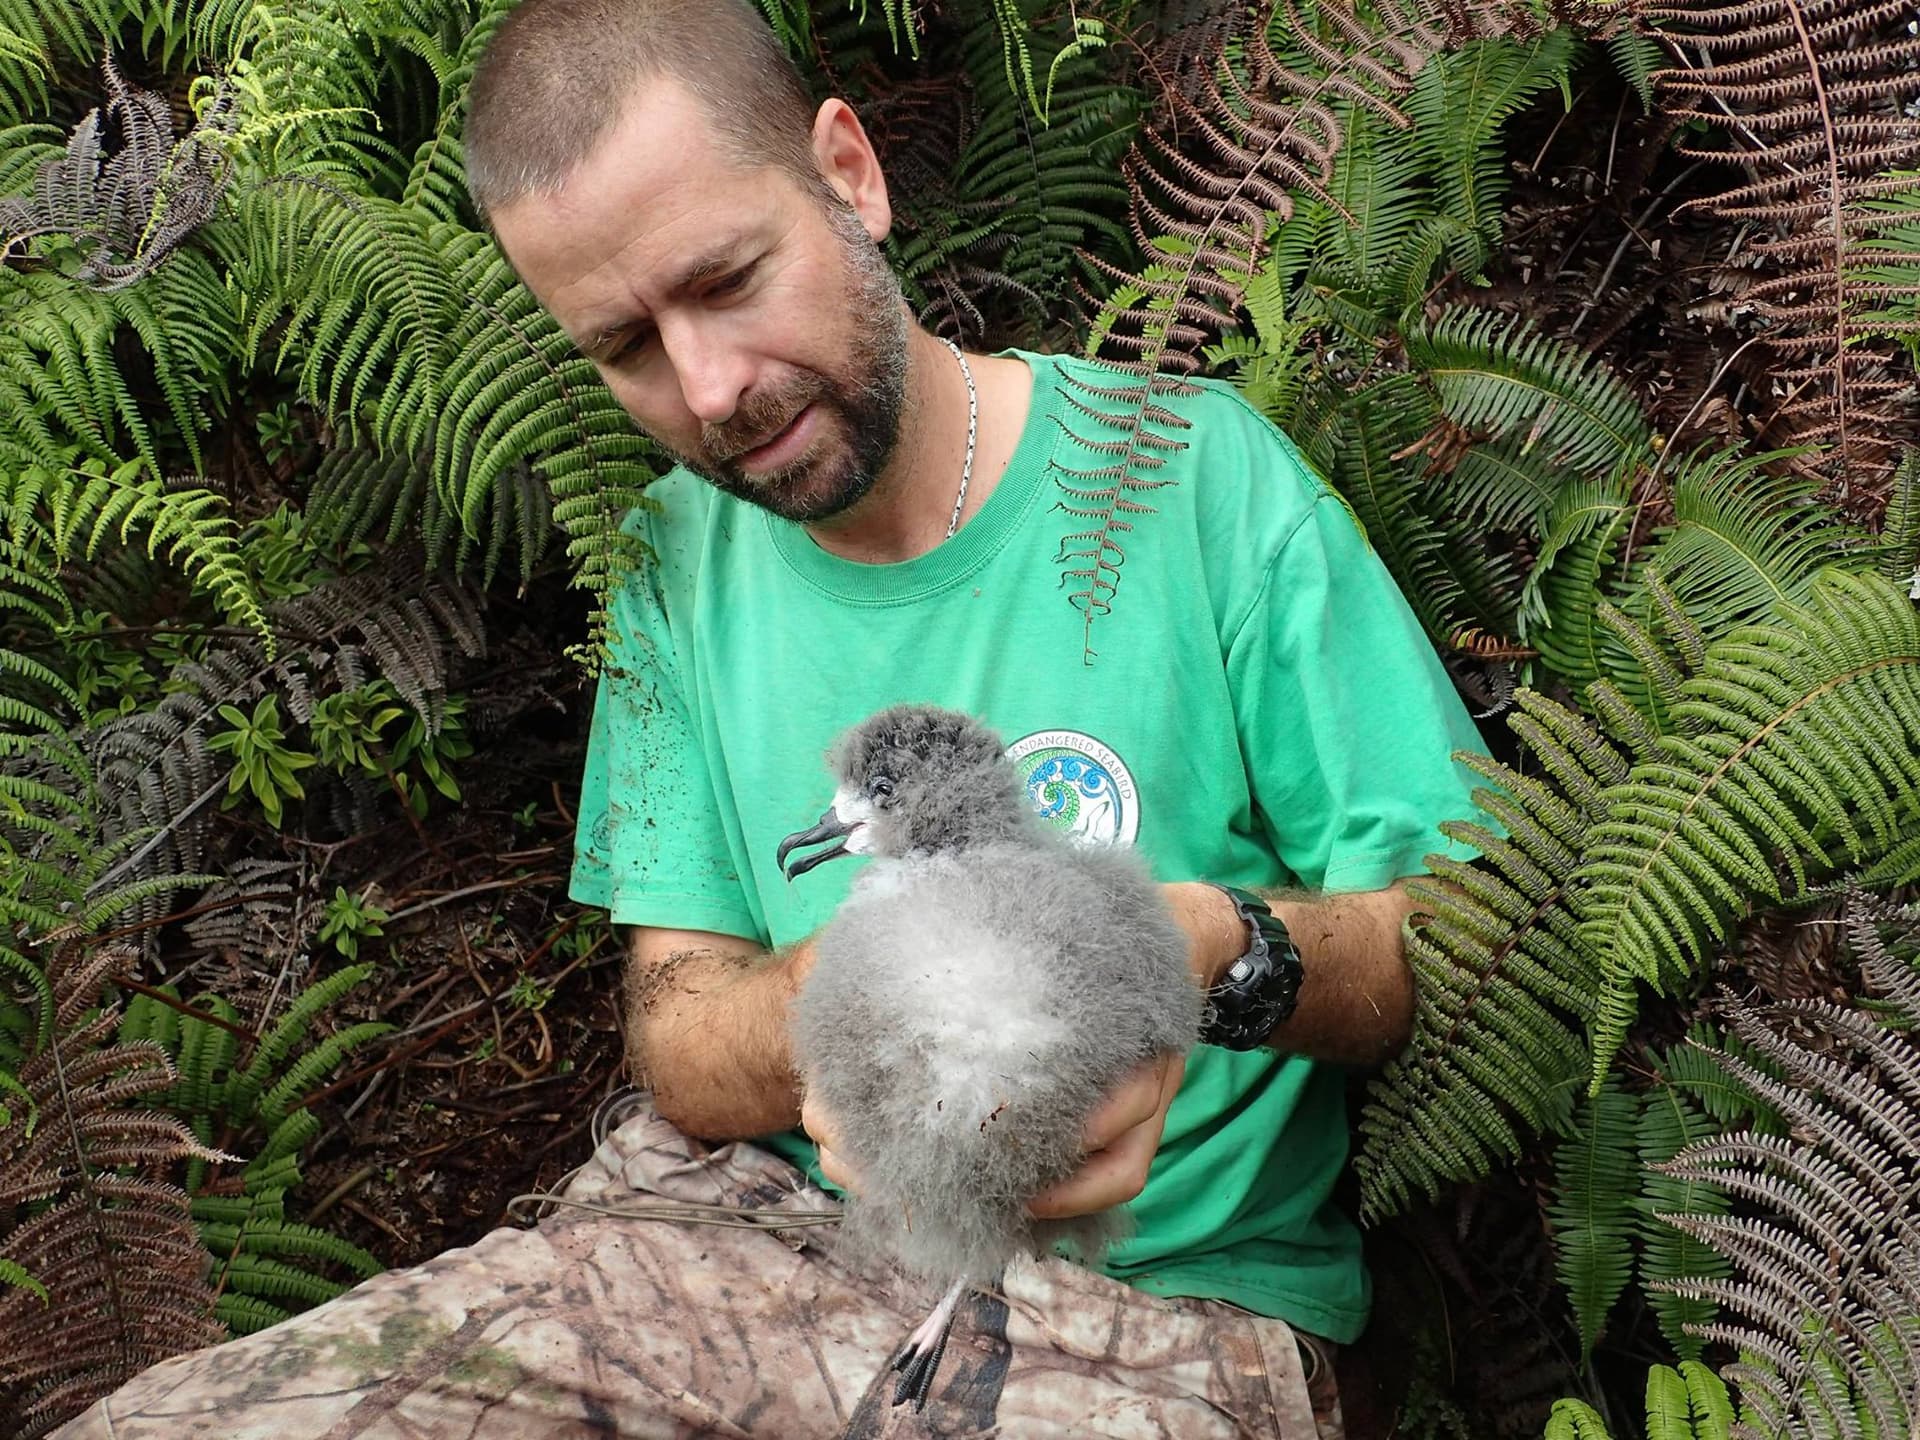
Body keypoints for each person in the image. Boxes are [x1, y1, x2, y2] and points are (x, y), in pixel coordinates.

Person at [52, 1, 1490, 1436]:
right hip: (730, 1245)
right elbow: (677, 1021)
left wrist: (1196, 956)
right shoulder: (666, 571)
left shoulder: (1190, 480)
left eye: (727, 280)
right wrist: (835, 1011)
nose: (710, 390)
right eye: (625, 345)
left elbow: (1470, 938)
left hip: (1161, 1305)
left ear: (848, 174)